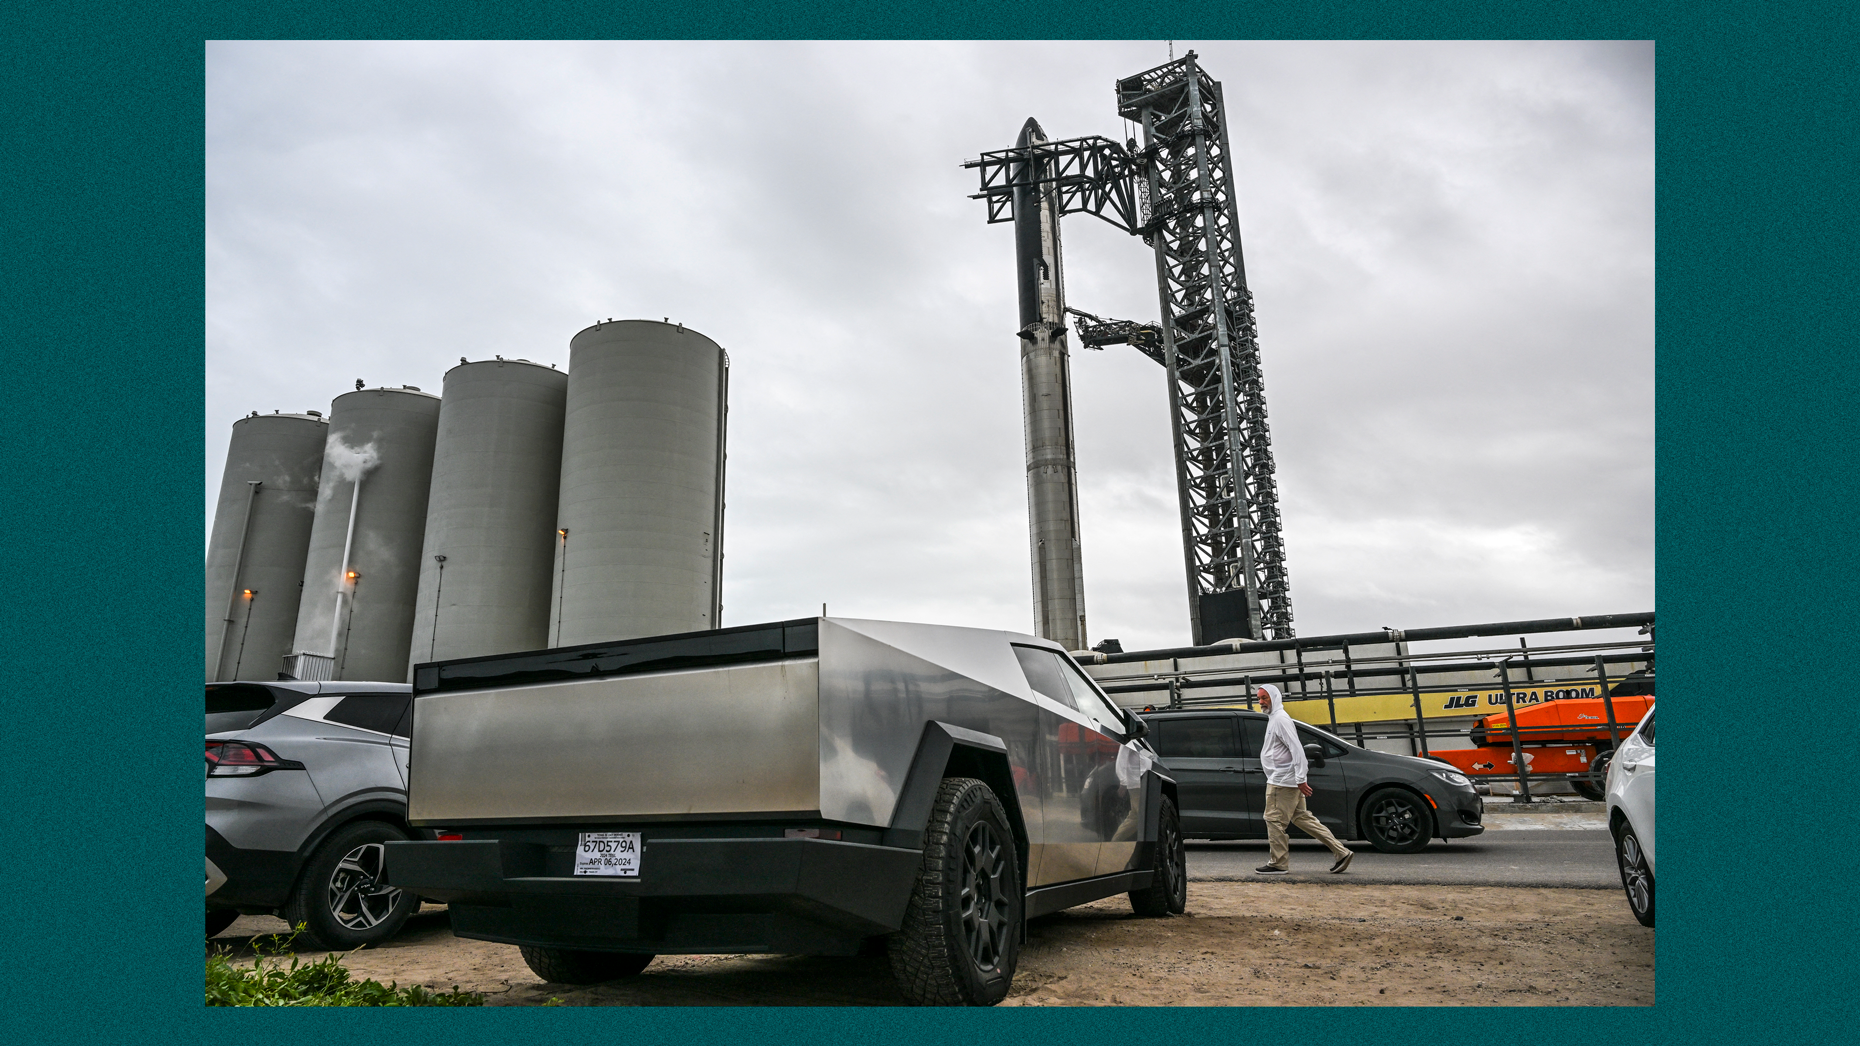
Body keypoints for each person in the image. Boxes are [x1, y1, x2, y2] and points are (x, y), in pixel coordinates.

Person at [1254, 684, 1355, 874]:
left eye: (1264, 698)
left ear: (1274, 697)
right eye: (1259, 698)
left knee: (1273, 819)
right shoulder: (1275, 718)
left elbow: (1297, 749)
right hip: (1287, 778)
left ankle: (1278, 863)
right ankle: (1341, 852)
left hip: (1282, 781)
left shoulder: (1280, 720)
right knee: (1302, 818)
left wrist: (1300, 778)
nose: (1261, 702)